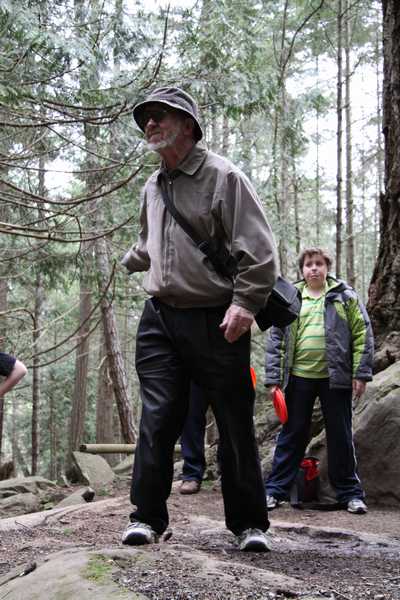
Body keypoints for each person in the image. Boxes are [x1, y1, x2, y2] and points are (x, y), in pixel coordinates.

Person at [121, 86, 278, 552]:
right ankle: (146, 518)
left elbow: (259, 252)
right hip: (160, 319)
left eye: (160, 116)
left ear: (188, 125)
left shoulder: (224, 177)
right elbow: (149, 242)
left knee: (232, 419)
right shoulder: (153, 186)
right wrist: (131, 258)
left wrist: (245, 304)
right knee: (157, 417)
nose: (150, 124)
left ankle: (249, 524)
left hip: (216, 318)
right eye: (145, 118)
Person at [264, 248, 374, 514]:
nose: (313, 268)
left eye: (319, 263)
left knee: (340, 435)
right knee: (292, 433)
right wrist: (273, 380)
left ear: (327, 267)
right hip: (297, 378)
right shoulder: (290, 298)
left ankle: (350, 494)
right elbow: (276, 339)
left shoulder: (344, 296)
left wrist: (360, 374)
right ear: (302, 270)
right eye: (308, 264)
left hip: (335, 379)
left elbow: (362, 333)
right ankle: (275, 491)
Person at [179, 382, 210, 495]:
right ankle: (192, 475)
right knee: (190, 416)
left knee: (230, 420)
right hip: (193, 375)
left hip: (229, 373)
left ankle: (234, 474)